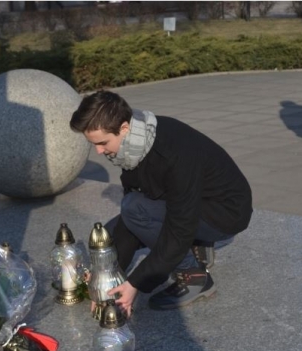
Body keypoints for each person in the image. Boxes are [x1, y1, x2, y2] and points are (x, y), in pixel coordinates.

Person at [70, 90, 252, 316]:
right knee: (108, 236)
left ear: (124, 128)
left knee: (135, 209)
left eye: (102, 142)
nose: (98, 151)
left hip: (225, 213)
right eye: (93, 144)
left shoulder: (172, 153)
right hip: (192, 202)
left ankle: (195, 277)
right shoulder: (134, 146)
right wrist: (110, 275)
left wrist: (136, 283)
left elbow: (178, 226)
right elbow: (131, 214)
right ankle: (198, 246)